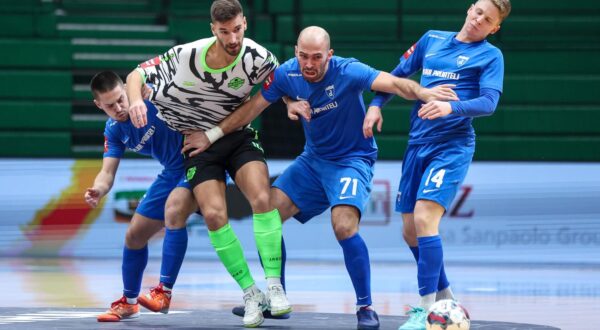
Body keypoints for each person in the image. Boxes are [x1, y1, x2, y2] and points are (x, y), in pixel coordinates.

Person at [182, 25, 457, 330]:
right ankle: (277, 299)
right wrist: (212, 135)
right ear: (296, 52)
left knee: (343, 226)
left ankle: (365, 306)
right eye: (303, 56)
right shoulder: (288, 73)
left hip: (352, 160)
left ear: (330, 55)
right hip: (313, 162)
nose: (309, 64)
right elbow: (252, 108)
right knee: (268, 212)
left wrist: (422, 92)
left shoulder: (349, 71)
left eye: (316, 57)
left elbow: (393, 82)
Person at [125, 0, 290, 327]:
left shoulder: (257, 56)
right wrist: (134, 103)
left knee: (262, 198)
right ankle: (250, 292)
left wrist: (292, 102)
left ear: (245, 22)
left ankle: (275, 287)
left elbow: (282, 81)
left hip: (237, 135)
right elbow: (135, 74)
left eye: (238, 29)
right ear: (213, 30)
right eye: (225, 32)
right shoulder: (185, 56)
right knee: (214, 214)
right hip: (197, 146)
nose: (233, 39)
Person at [364, 1, 512, 329]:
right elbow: (396, 77)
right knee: (409, 231)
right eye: (477, 11)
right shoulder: (431, 39)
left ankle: (426, 311)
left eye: (487, 19)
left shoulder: (490, 56)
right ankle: (446, 298)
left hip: (452, 146)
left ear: (494, 28)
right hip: (418, 143)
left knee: (424, 218)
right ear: (469, 8)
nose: (478, 20)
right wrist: (376, 105)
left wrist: (449, 107)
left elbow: (489, 103)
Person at [86, 71, 198, 322]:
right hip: (172, 171)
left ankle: (163, 292)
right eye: (109, 105)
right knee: (134, 235)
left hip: (200, 160)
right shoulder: (114, 130)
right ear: (98, 105)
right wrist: (98, 190)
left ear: (127, 89)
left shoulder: (150, 96)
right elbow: (106, 172)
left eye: (120, 99)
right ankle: (129, 302)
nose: (118, 108)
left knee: (174, 211)